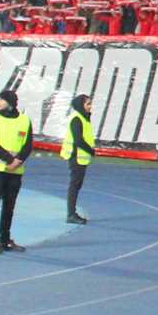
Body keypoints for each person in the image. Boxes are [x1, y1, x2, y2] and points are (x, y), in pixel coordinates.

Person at [0, 90, 33, 254]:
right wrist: (10, 160)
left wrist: (18, 161)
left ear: (10, 103)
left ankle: (5, 240)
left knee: (9, 206)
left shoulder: (25, 120)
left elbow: (28, 145)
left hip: (15, 171)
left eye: (1, 100)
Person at [62, 93, 94, 225]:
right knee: (74, 185)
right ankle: (71, 214)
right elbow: (78, 140)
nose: (90, 106)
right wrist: (91, 150)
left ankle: (72, 213)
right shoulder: (77, 119)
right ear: (81, 105)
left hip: (80, 157)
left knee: (76, 185)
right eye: (88, 104)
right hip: (76, 157)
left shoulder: (83, 118)